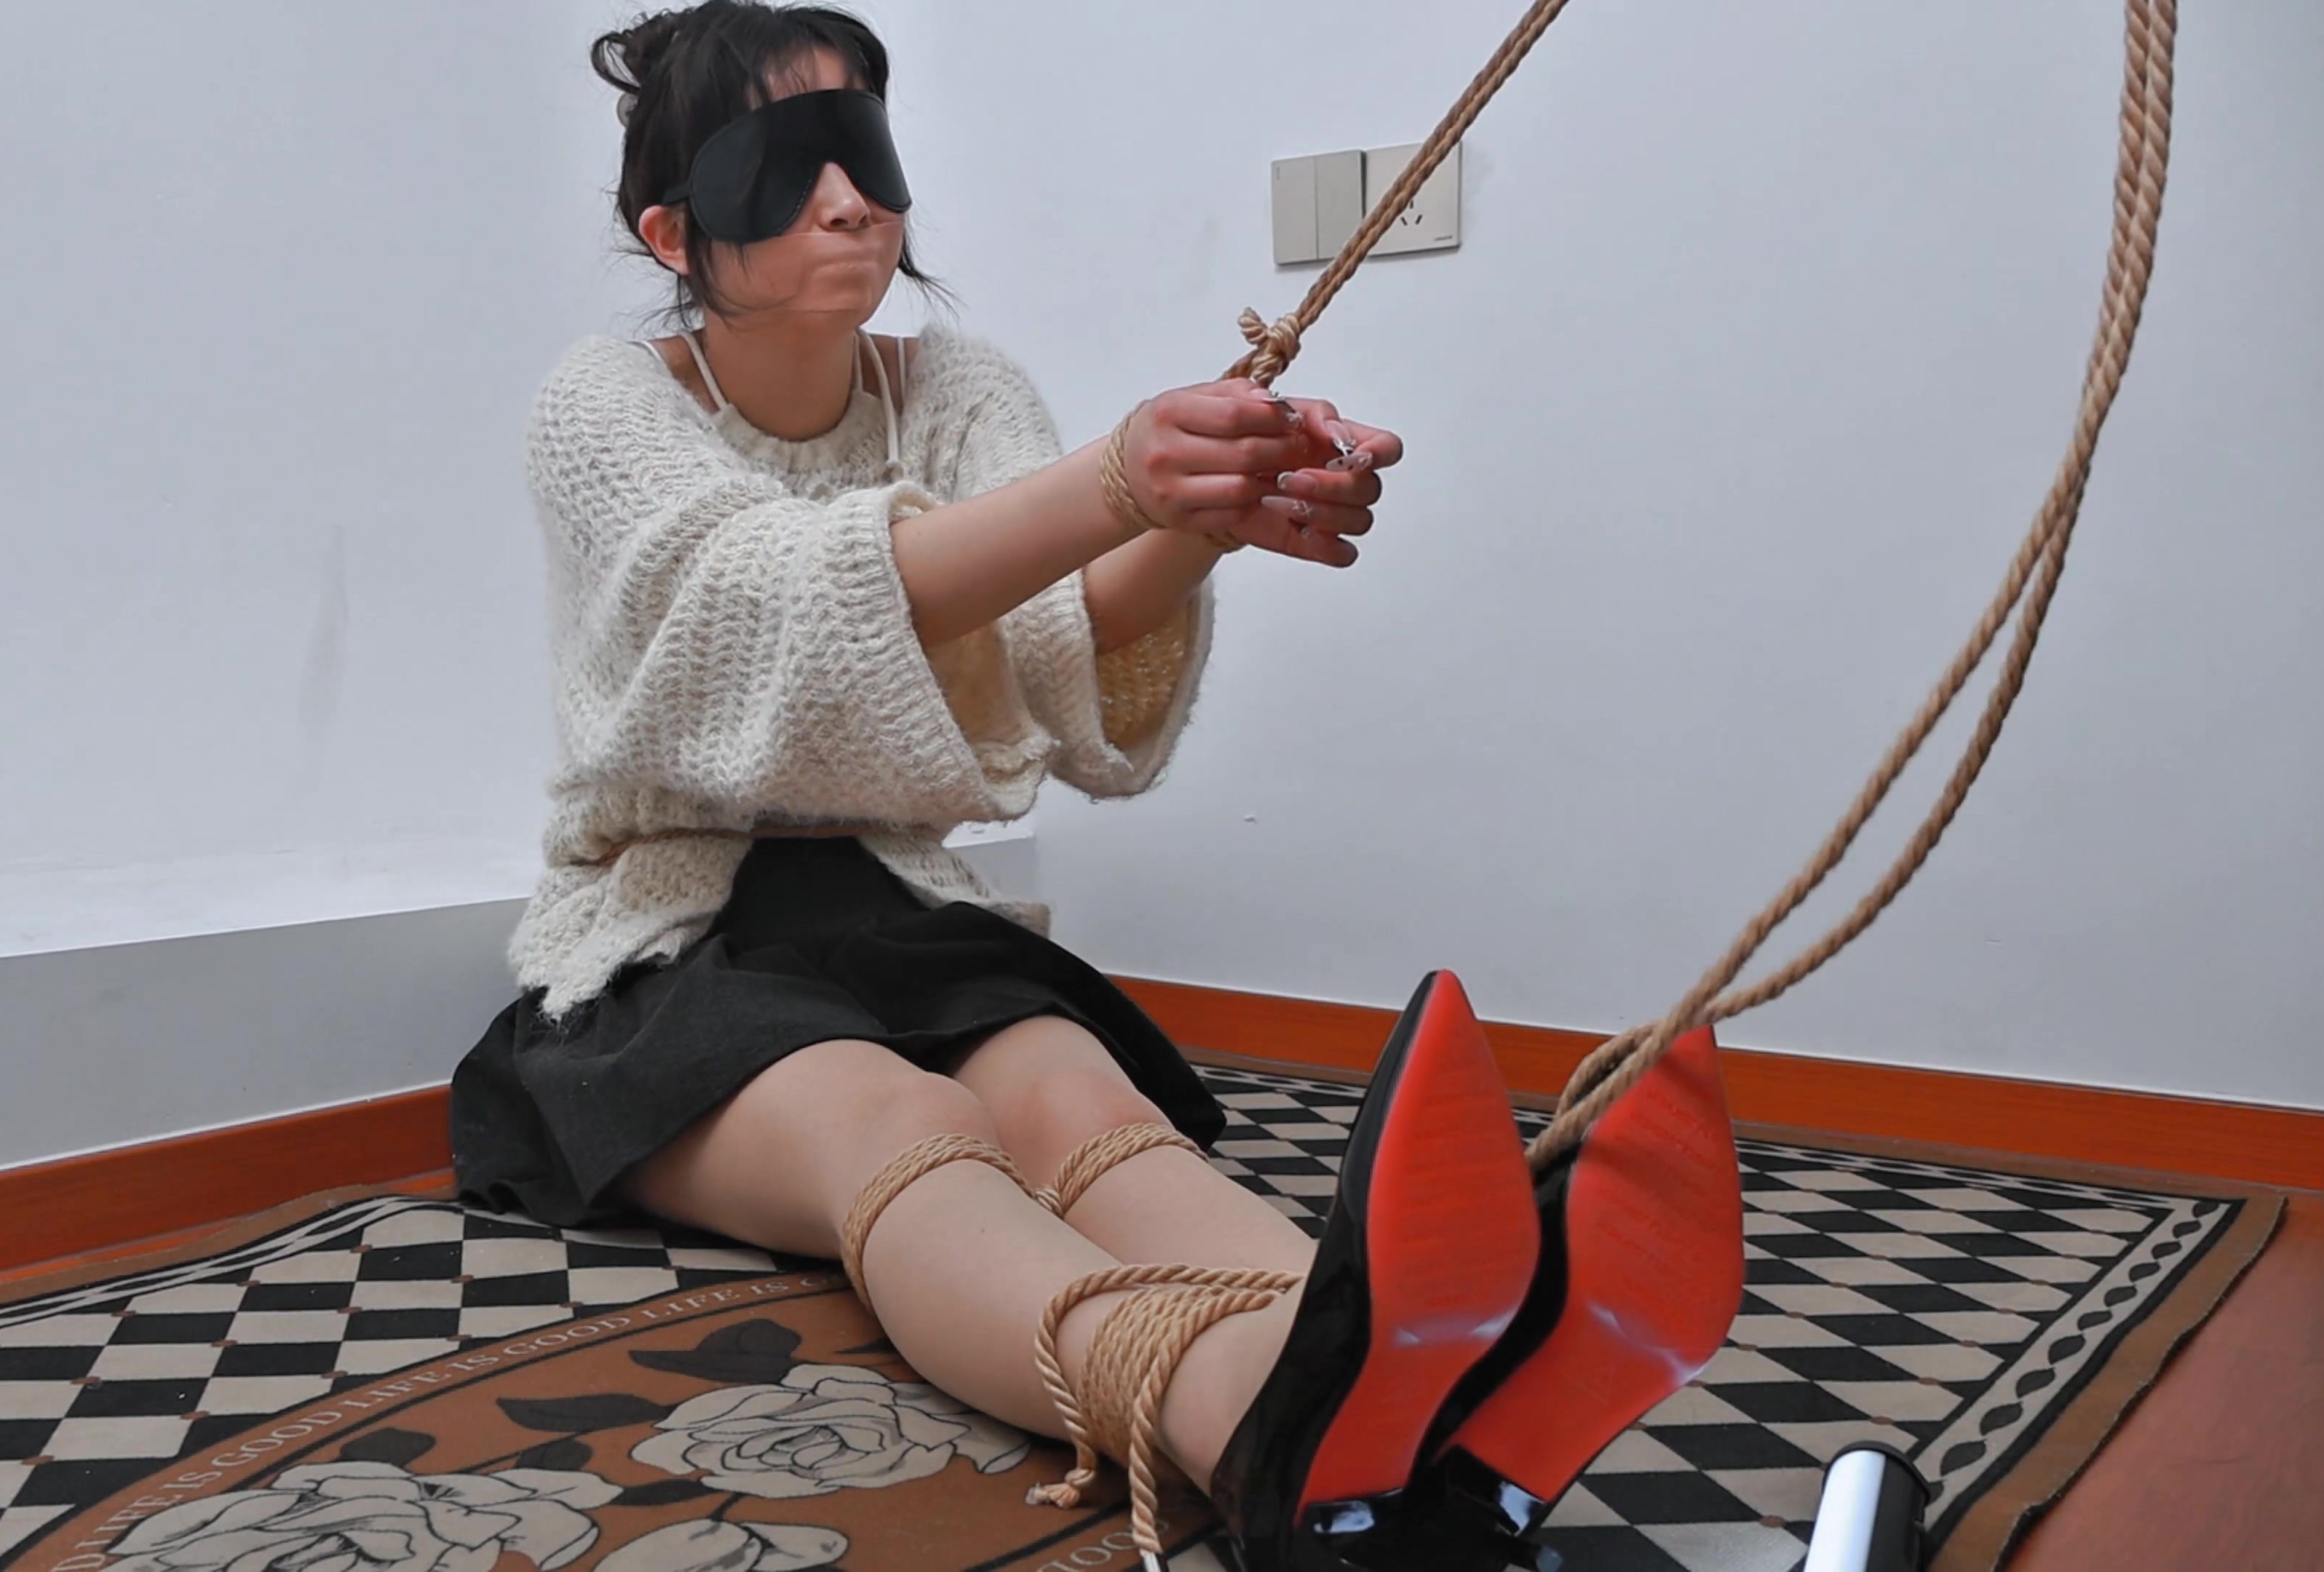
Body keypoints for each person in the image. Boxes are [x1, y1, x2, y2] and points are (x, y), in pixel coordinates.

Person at [448, 6, 1745, 1567]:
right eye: (782, 166)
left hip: (895, 908)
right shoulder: (603, 403)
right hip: (669, 942)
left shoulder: (957, 387)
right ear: (673, 231)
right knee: (901, 1129)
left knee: (1086, 1109)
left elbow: (1053, 626)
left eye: (863, 150)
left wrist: (1204, 512)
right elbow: (774, 598)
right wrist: (1121, 480)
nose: (848, 201)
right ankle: (1251, 1423)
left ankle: (1425, 1377)